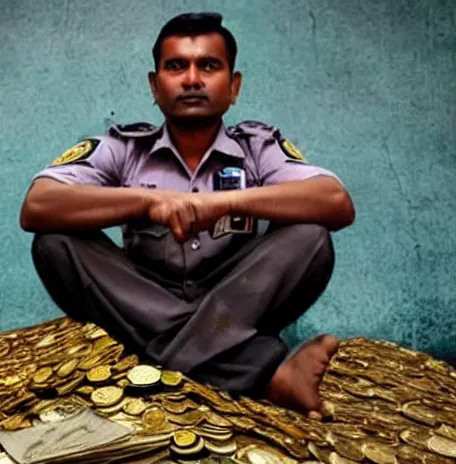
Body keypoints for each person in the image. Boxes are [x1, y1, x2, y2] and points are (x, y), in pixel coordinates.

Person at [20, 12, 355, 418]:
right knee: (55, 242)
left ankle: (155, 360)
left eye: (208, 66)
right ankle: (266, 371)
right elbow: (38, 205)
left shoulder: (259, 147)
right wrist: (148, 202)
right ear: (154, 85)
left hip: (235, 302)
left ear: (234, 87)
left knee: (310, 237)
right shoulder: (122, 147)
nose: (192, 79)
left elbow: (335, 202)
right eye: (176, 66)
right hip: (140, 298)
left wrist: (223, 203)